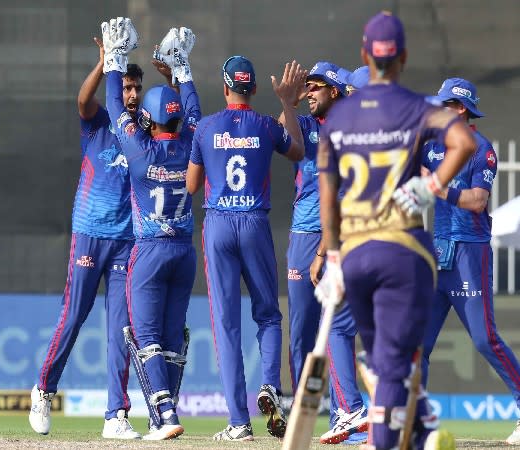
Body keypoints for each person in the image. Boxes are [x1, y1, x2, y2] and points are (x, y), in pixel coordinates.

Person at [316, 11, 476, 450]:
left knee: (385, 363)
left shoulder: (340, 118)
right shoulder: (416, 106)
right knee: (392, 368)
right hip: (404, 251)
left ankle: (419, 424)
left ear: (364, 55)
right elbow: (465, 142)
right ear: (403, 56)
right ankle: (409, 426)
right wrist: (431, 185)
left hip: (355, 254)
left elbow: (327, 195)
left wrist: (332, 258)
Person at [186, 57, 305, 441]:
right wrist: (288, 104)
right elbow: (298, 152)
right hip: (254, 222)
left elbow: (190, 186)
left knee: (226, 325)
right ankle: (270, 385)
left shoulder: (205, 128)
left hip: (219, 223)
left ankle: (239, 423)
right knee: (268, 315)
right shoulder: (267, 126)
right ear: (253, 89)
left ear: (224, 88)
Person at [29, 37, 141, 439]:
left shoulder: (140, 130)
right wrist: (103, 64)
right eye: (125, 87)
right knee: (74, 316)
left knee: (122, 329)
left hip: (126, 241)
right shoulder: (98, 123)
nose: (130, 94)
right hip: (90, 234)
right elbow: (81, 100)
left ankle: (116, 415)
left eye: (135, 88)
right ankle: (43, 391)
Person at [103, 18, 200, 441]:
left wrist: (115, 60)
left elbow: (112, 106)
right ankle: (167, 410)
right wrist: (183, 69)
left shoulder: (140, 150)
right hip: (184, 252)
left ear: (146, 118)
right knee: (173, 334)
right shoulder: (193, 140)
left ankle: (163, 414)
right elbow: (194, 110)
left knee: (143, 337)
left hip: (149, 251)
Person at [421, 78, 520, 445]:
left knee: (484, 339)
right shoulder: (431, 144)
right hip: (438, 252)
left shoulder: (482, 149)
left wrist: (436, 187)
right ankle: (416, 420)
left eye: (443, 104)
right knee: (418, 345)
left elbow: (478, 200)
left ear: (460, 109)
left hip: (470, 252)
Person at [282, 61, 368, 445]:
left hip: (338, 236)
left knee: (336, 325)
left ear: (336, 91)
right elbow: (274, 134)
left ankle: (344, 412)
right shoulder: (306, 125)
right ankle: (308, 410)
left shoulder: (350, 132)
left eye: (318, 86)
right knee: (303, 330)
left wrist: (324, 249)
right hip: (306, 234)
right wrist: (291, 102)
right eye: (309, 86)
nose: (311, 92)